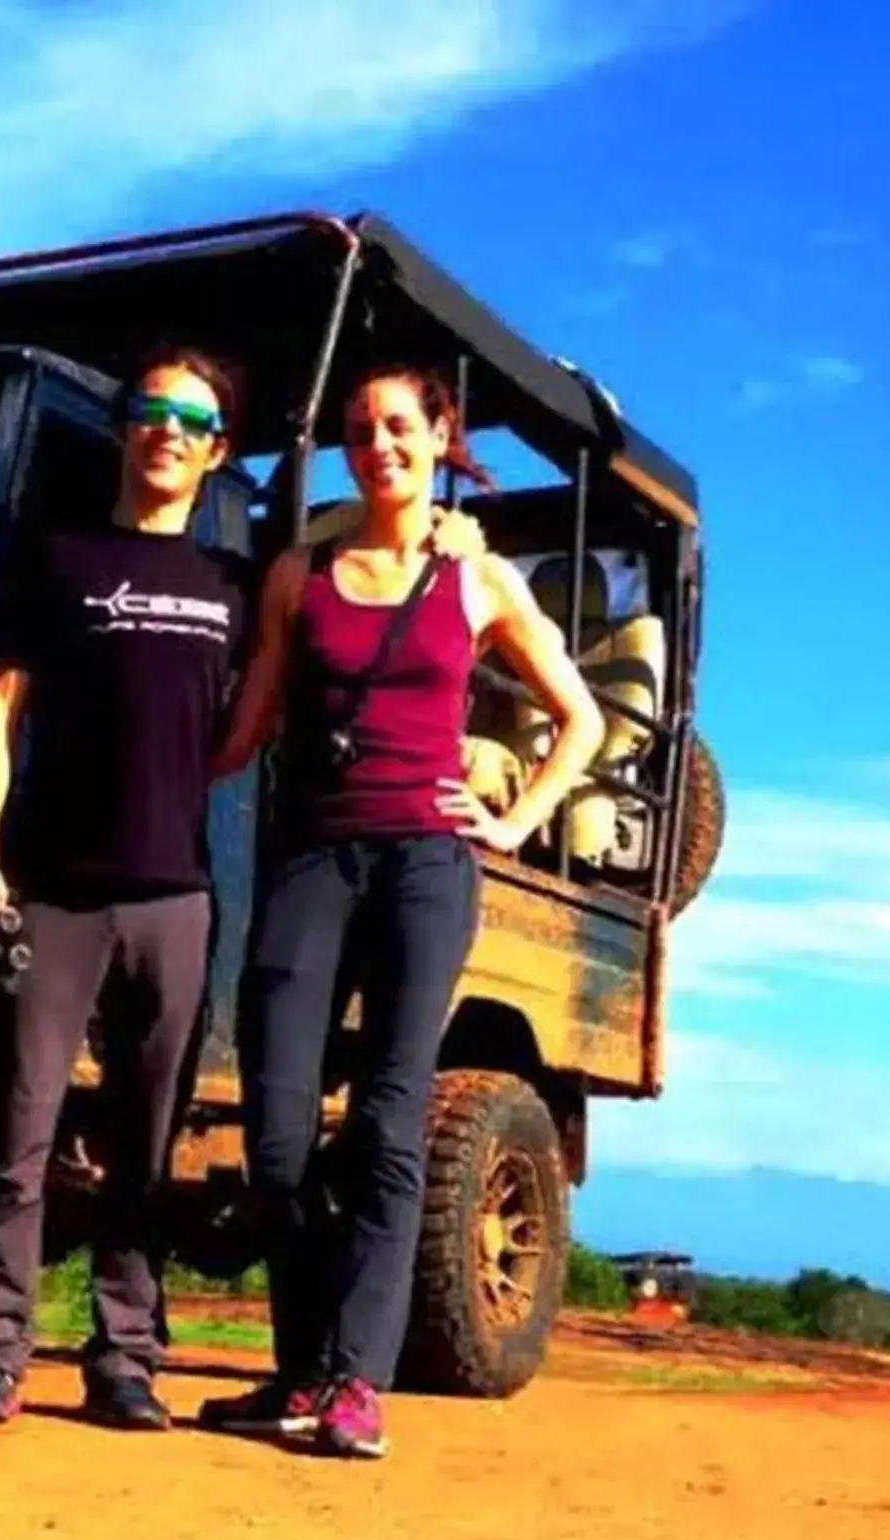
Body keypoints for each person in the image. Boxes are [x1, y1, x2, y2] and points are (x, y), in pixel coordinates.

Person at [0, 349, 486, 1428]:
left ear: (218, 450)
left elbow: (271, 696)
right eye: (152, 411)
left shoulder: (238, 581)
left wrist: (447, 535)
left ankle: (125, 1360)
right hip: (51, 890)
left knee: (146, 1150)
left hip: (177, 895)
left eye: (193, 419)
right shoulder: (55, 556)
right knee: (20, 1132)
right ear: (128, 429)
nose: (169, 431)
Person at [197, 365, 607, 1460]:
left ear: (438, 438)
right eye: (359, 431)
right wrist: (161, 777)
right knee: (279, 1137)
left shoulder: (478, 583)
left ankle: (356, 1385)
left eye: (397, 427)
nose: (377, 445)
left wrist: (515, 821)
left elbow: (579, 718)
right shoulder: (301, 575)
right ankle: (300, 1371)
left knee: (388, 1118)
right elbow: (248, 723)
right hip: (312, 863)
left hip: (428, 865)